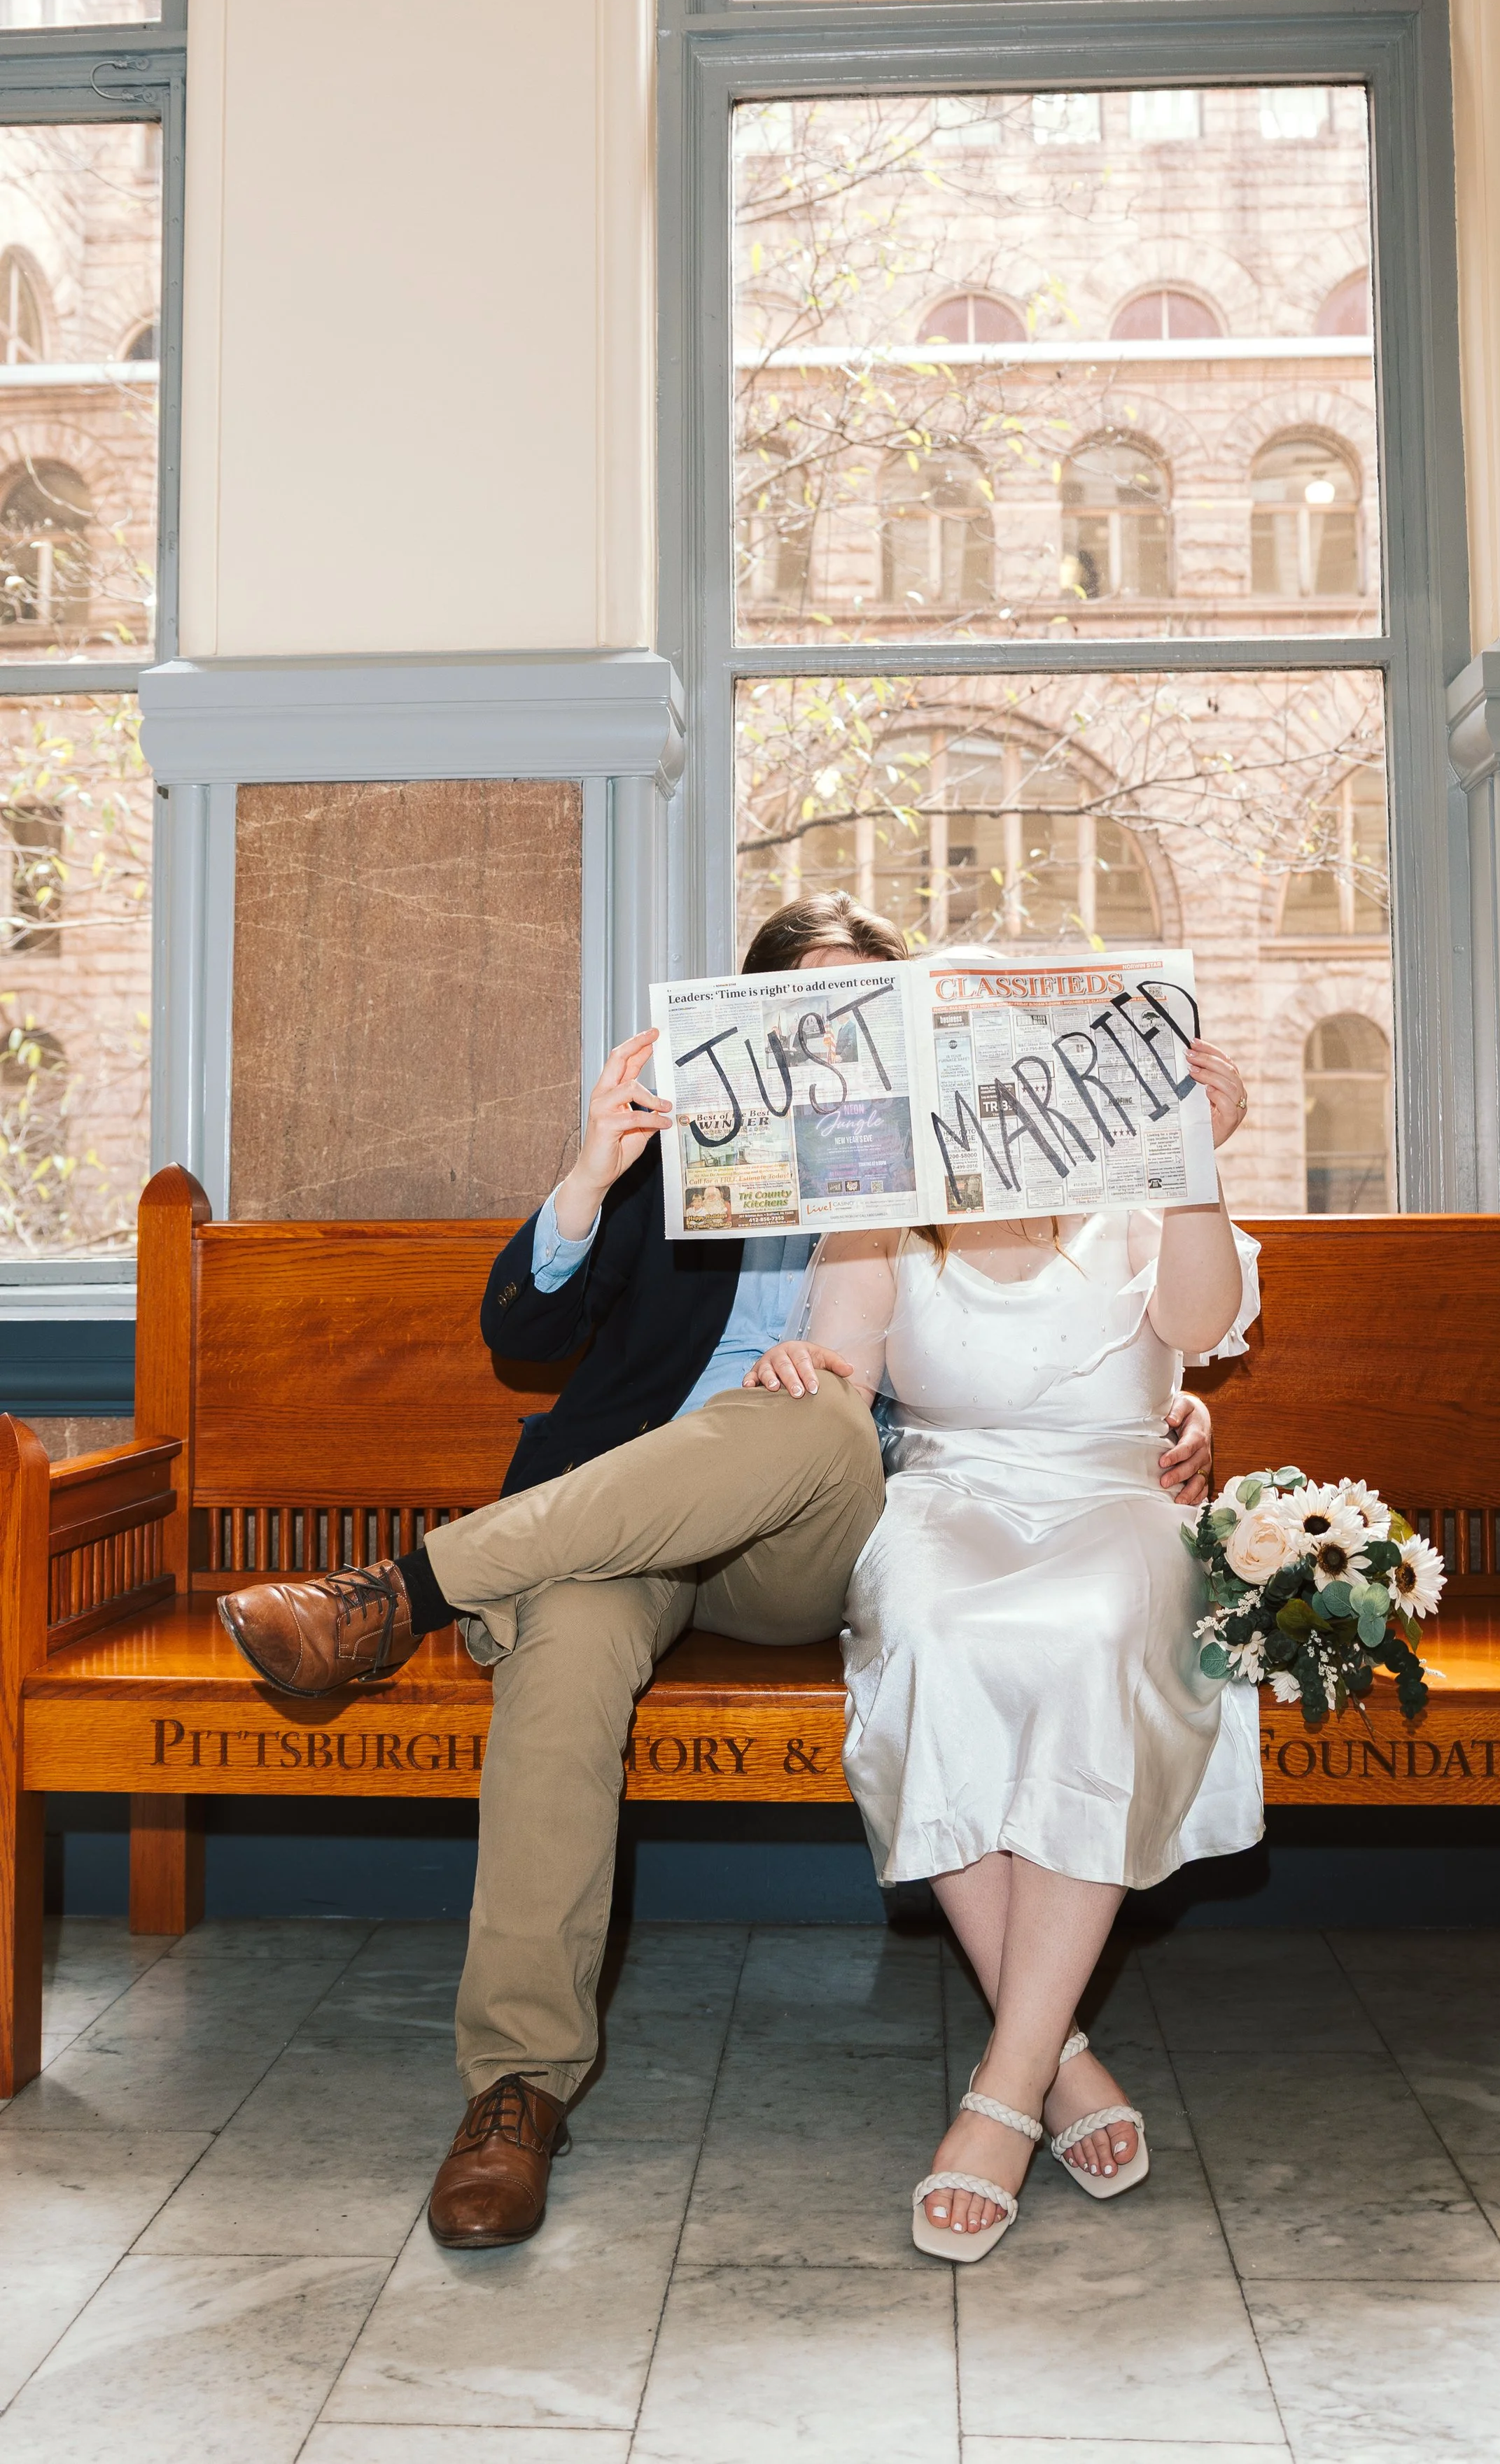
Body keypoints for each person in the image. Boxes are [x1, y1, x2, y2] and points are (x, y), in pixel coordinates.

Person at [213, 892, 1220, 2252]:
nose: (835, 1041)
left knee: (808, 1405)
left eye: (868, 1010)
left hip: (810, 1531)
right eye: (805, 1008)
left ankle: (401, 1592)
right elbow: (521, 1324)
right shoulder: (679, 1169)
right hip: (615, 1531)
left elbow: (1069, 1334)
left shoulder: (939, 1179)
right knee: (561, 1655)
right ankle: (516, 2090)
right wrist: (591, 1167)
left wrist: (1160, 1409)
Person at [743, 1038, 1259, 2262]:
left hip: (1115, 1499)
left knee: (1088, 1640)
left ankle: (1004, 2094)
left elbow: (1201, 1319)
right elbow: (842, 1384)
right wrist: (797, 1372)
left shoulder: (1144, 1194)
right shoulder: (888, 1220)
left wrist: (1193, 1161)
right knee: (933, 1633)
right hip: (945, 1499)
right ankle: (1055, 2059)